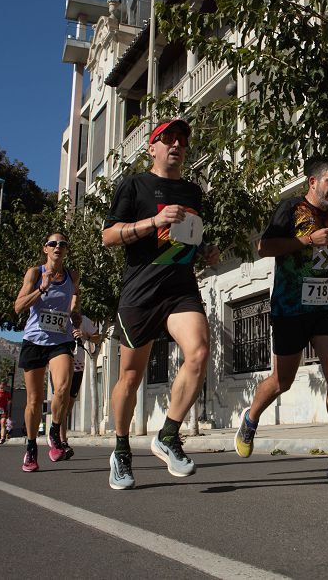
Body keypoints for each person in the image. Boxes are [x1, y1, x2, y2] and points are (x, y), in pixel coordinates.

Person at [234, 156, 328, 481]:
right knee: (282, 380)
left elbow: (319, 261)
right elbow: (264, 246)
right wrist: (309, 239)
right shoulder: (290, 208)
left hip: (324, 304)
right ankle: (251, 419)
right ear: (313, 182)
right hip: (290, 307)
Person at [101, 118, 220, 489]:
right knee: (130, 377)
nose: (176, 145)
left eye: (182, 140)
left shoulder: (193, 192)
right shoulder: (134, 185)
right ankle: (121, 448)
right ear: (151, 147)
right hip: (140, 292)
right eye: (167, 139)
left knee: (199, 352)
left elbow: (186, 237)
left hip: (180, 288)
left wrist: (205, 252)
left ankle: (168, 434)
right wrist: (153, 220)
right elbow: (108, 236)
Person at [13, 231, 80, 472]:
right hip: (34, 341)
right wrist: (42, 288)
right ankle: (31, 447)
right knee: (34, 400)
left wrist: (75, 314)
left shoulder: (73, 275)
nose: (58, 247)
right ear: (45, 249)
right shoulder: (34, 273)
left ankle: (54, 430)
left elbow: (75, 301)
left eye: (62, 244)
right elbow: (18, 306)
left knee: (62, 388)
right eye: (53, 244)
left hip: (60, 340)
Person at [57, 313, 103, 458]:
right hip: (61, 362)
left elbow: (98, 337)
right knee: (62, 402)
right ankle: (62, 441)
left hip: (78, 365)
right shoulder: (60, 316)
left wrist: (85, 335)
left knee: (68, 405)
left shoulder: (84, 320)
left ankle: (57, 435)